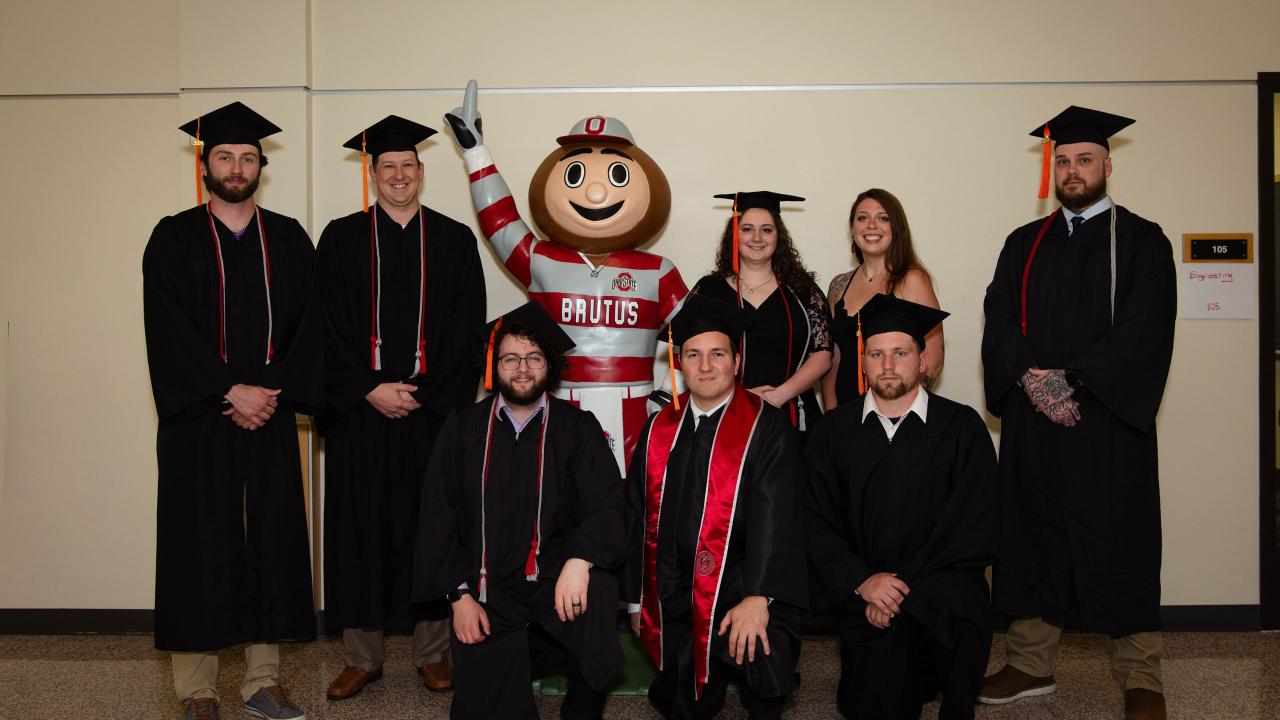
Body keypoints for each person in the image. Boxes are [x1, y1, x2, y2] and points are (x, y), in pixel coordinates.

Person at [979, 106, 1176, 720]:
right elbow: (1000, 318)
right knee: (1033, 538)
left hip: (1106, 428)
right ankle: (1031, 663)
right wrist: (1032, 384)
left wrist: (1075, 380)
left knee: (1120, 540)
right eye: (1062, 160)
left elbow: (1147, 331)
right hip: (1037, 427)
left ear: (1107, 165)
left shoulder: (1143, 240)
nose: (1072, 170)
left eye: (1083, 159)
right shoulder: (1023, 243)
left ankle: (1141, 675)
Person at [143, 101, 321, 720]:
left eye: (247, 157)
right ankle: (196, 688)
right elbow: (168, 330)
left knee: (270, 538)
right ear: (206, 166)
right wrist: (228, 390)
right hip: (200, 418)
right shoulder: (174, 237)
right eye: (224, 156)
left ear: (260, 167)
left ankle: (262, 681)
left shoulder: (290, 238)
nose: (236, 166)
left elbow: (309, 328)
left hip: (268, 415)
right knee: (199, 540)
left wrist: (268, 390)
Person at [316, 115, 486, 700]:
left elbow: (468, 331)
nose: (398, 176)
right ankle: (361, 658)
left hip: (430, 414)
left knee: (433, 529)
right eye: (387, 167)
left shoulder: (454, 241)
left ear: (421, 172)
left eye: (407, 166)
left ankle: (433, 653)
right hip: (360, 415)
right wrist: (368, 388)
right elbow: (323, 329)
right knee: (358, 530)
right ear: (373, 173)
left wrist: (422, 394)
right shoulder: (339, 239)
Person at [443, 80, 688, 476]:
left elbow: (693, 337)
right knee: (555, 498)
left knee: (631, 509)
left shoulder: (659, 270)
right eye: (575, 173)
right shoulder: (541, 258)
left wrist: (663, 395)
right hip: (556, 406)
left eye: (616, 175)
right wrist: (475, 152)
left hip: (635, 409)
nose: (594, 192)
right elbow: (501, 221)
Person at [411, 302, 628, 720]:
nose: (523, 368)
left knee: (598, 590)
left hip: (556, 586)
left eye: (534, 357)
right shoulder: (463, 429)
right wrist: (459, 598)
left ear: (550, 364)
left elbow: (606, 505)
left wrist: (579, 562)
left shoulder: (577, 428)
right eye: (510, 358)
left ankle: (582, 709)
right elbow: (438, 519)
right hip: (486, 592)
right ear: (494, 365)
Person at [805, 294, 998, 719]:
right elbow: (816, 522)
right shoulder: (833, 433)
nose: (888, 365)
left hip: (940, 590)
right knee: (875, 704)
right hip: (864, 596)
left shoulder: (962, 427)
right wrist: (865, 583)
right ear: (863, 362)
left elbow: (972, 523)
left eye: (900, 353)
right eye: (876, 353)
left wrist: (901, 589)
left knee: (965, 610)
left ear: (923, 361)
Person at [623, 294, 807, 720]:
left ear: (737, 362)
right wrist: (637, 602)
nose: (705, 366)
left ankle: (757, 680)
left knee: (766, 676)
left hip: (745, 584)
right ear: (679, 364)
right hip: (674, 589)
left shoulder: (767, 425)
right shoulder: (658, 429)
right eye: (693, 354)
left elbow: (777, 518)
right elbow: (634, 514)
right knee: (685, 705)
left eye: (717, 353)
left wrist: (758, 597)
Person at [691, 191, 831, 441]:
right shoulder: (709, 290)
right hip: (724, 416)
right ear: (734, 235)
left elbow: (822, 354)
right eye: (747, 229)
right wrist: (740, 399)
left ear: (779, 237)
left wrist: (778, 396)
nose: (757, 238)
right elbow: (691, 353)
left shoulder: (802, 291)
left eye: (766, 230)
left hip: (793, 418)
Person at [822, 189, 943, 410]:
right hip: (846, 413)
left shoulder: (913, 279)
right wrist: (832, 414)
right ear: (852, 229)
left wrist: (902, 412)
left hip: (897, 412)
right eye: (862, 218)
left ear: (896, 229)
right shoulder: (838, 286)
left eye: (883, 218)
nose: (871, 225)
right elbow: (833, 358)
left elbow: (933, 356)